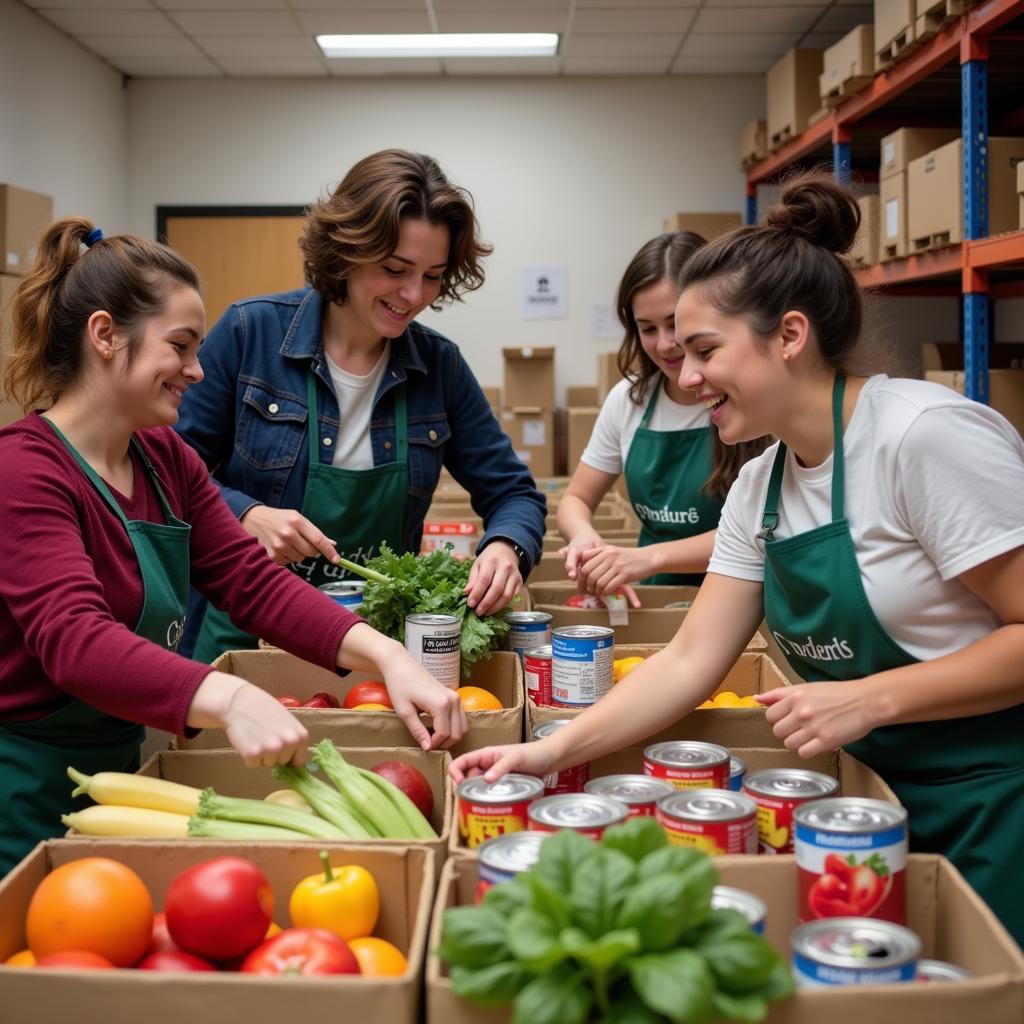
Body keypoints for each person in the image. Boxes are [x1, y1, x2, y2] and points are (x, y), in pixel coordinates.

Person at [452, 177, 1024, 945]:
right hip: (860, 813)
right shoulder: (761, 484)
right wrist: (548, 752)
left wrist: (871, 698)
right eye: (679, 353)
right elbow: (691, 658)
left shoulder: (923, 439)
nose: (684, 378)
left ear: (789, 335)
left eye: (704, 350)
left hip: (993, 807)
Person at [0, 219, 468, 875]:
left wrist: (385, 655)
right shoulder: (25, 472)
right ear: (105, 335)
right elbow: (74, 641)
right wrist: (233, 697)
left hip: (123, 769)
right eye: (181, 346)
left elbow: (255, 584)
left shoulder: (163, 458)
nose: (197, 369)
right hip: (21, 794)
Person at [175, 149, 546, 662]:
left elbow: (514, 493)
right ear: (347, 251)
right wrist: (246, 513)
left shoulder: (440, 367)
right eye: (395, 269)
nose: (413, 294)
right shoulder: (249, 334)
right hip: (245, 637)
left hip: (374, 651)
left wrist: (507, 546)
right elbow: (165, 468)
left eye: (433, 275)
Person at [557, 232, 768, 607]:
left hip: (740, 599)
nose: (665, 344)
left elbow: (760, 532)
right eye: (647, 328)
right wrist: (584, 537)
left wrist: (649, 557)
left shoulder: (749, 400)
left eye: (675, 324)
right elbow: (576, 497)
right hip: (654, 597)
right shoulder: (629, 400)